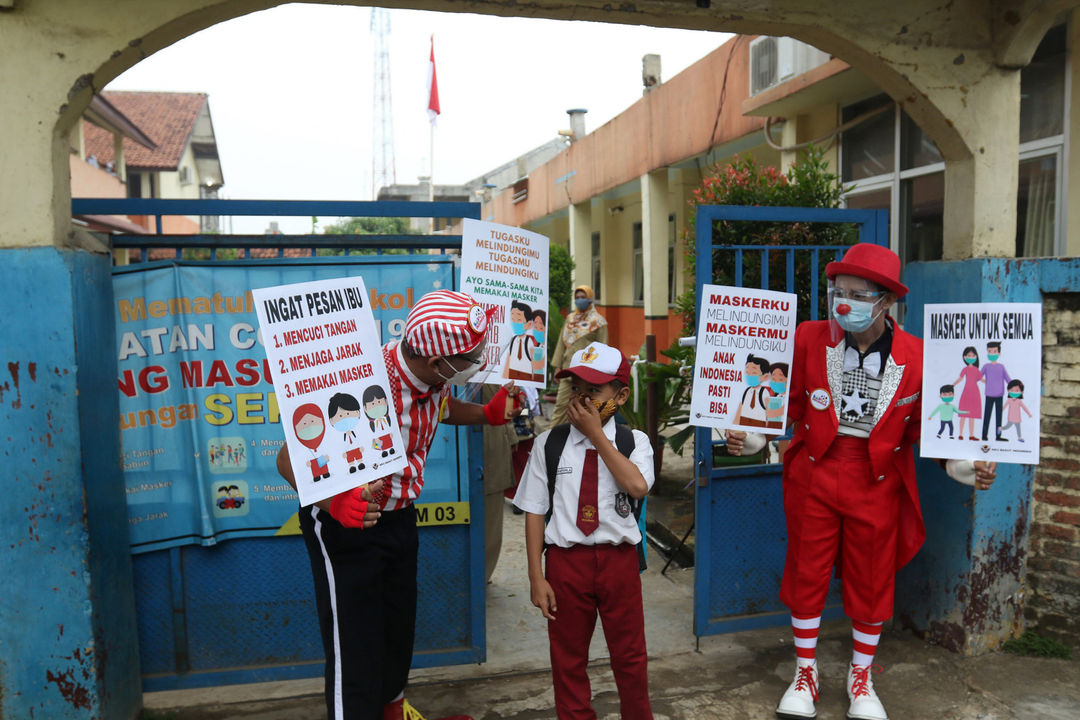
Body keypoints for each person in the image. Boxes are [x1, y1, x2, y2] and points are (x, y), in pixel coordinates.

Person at [725, 243, 997, 720]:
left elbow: (928, 432)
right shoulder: (808, 338)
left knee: (872, 577)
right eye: (837, 291)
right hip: (815, 470)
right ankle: (804, 672)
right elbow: (782, 410)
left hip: (878, 478)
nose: (842, 302)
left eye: (856, 293)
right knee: (806, 569)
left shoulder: (917, 355)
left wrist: (964, 467)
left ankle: (861, 675)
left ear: (886, 301)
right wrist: (748, 440)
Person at [276, 289, 522, 720]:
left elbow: (441, 408)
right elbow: (286, 459)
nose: (478, 363)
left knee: (396, 629)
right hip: (345, 524)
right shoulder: (359, 381)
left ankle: (392, 710)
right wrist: (336, 502)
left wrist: (486, 415)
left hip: (400, 517)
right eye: (472, 357)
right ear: (436, 361)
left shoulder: (434, 378)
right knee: (355, 645)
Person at [513, 341, 655, 720]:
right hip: (566, 564)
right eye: (576, 388)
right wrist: (535, 575)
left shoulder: (633, 442)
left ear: (620, 395)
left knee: (630, 656)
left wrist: (597, 436)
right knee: (568, 658)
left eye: (594, 391)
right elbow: (533, 511)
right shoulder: (548, 444)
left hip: (618, 562)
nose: (583, 399)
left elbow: (637, 487)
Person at [550, 285, 608, 426]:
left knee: (585, 407)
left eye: (583, 297)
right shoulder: (570, 319)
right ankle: (552, 437)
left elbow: (603, 347)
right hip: (567, 369)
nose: (580, 300)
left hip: (586, 373)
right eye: (577, 298)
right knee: (561, 406)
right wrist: (557, 366)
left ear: (590, 298)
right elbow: (561, 343)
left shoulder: (599, 322)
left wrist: (599, 373)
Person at [980, 341, 1012, 441]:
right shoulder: (986, 366)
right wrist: (987, 382)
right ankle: (984, 435)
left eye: (994, 352)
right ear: (987, 353)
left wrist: (1016, 386)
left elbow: (1008, 379)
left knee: (999, 417)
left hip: (999, 395)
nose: (992, 354)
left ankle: (998, 436)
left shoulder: (1001, 367)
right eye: (990, 352)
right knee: (987, 416)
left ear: (999, 353)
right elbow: (978, 377)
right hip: (989, 394)